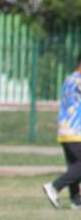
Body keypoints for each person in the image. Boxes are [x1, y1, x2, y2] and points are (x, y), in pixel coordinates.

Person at [43, 54, 81, 209]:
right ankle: (54, 187)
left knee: (74, 166)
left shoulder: (68, 80)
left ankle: (76, 200)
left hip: (65, 130)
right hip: (76, 130)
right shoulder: (78, 81)